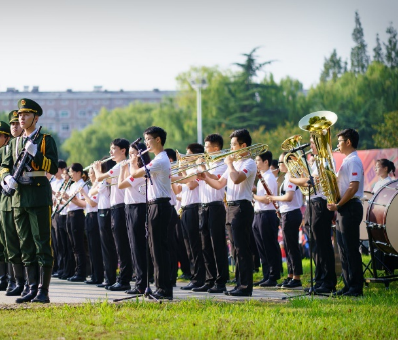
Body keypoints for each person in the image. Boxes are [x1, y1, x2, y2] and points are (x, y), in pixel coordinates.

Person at [1, 98, 59, 304]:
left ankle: (43, 290)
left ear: (36, 117)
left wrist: (37, 155)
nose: (21, 118)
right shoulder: (14, 142)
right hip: (18, 197)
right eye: (19, 114)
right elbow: (4, 165)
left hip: (38, 195)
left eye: (26, 114)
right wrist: (6, 177)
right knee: (25, 244)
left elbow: (52, 167)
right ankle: (30, 287)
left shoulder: (45, 139)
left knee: (42, 243)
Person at [198, 129, 256, 297]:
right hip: (230, 207)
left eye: (233, 145)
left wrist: (229, 163)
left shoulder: (248, 163)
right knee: (235, 250)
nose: (230, 149)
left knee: (242, 248)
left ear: (243, 146)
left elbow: (237, 178)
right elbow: (219, 184)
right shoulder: (235, 164)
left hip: (242, 206)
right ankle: (239, 284)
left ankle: (245, 286)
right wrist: (204, 176)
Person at [287, 137, 337, 294]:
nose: (311, 146)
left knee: (322, 244)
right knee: (315, 245)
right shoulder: (316, 161)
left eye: (313, 143)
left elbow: (311, 181)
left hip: (320, 204)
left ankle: (328, 281)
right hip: (312, 203)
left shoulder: (324, 160)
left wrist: (291, 177)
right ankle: (320, 279)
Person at [129, 126, 173, 300]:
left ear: (158, 140)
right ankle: (160, 286)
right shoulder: (158, 160)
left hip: (159, 205)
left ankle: (163, 288)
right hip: (155, 205)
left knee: (159, 249)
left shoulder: (160, 160)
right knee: (155, 248)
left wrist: (133, 162)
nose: (146, 143)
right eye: (145, 139)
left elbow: (135, 174)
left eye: (148, 140)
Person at [328, 129, 365, 297]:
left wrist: (338, 204)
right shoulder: (347, 161)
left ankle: (356, 288)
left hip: (349, 207)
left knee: (350, 249)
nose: (338, 144)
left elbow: (353, 187)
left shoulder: (354, 161)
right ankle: (348, 284)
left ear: (348, 142)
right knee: (343, 250)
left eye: (340, 140)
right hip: (345, 207)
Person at [94, 139, 133, 292]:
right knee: (119, 245)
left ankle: (124, 279)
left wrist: (97, 168)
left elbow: (99, 178)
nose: (110, 153)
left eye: (113, 149)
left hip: (121, 207)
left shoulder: (122, 164)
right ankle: (121, 278)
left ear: (123, 150)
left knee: (122, 246)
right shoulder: (120, 166)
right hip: (116, 207)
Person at [196, 134, 229, 294]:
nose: (204, 150)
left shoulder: (223, 165)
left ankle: (221, 280)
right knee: (205, 246)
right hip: (203, 207)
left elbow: (214, 178)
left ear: (216, 149)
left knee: (217, 245)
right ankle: (209, 280)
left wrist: (202, 168)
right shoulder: (207, 164)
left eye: (207, 147)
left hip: (216, 207)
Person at [267, 153, 304, 289]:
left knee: (292, 246)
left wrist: (273, 198)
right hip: (286, 213)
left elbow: (288, 197)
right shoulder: (286, 178)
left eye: (282, 162)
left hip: (292, 213)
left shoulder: (292, 177)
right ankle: (290, 274)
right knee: (288, 246)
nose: (279, 165)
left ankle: (297, 277)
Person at [172, 143, 205, 291]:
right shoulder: (189, 170)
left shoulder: (199, 170)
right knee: (188, 246)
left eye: (188, 155)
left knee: (195, 245)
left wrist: (183, 171)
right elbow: (178, 189)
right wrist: (172, 177)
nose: (184, 158)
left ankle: (200, 277)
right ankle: (194, 276)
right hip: (185, 209)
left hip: (194, 208)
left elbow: (192, 185)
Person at [119, 142, 150, 295]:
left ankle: (141, 283)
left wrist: (129, 165)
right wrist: (124, 167)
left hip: (138, 207)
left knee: (138, 247)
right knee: (133, 246)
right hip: (129, 206)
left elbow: (122, 184)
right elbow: (122, 182)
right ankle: (139, 281)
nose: (130, 156)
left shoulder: (141, 170)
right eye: (130, 154)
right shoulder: (133, 169)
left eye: (133, 153)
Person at [252, 151, 282, 287]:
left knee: (269, 246)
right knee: (261, 247)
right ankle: (266, 275)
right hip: (259, 214)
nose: (256, 163)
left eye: (258, 161)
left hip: (266, 214)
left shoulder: (269, 177)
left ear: (266, 162)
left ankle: (273, 275)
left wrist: (252, 195)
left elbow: (265, 200)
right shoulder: (262, 177)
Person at [91, 158, 118, 288]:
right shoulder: (103, 179)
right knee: (105, 247)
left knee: (108, 247)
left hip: (106, 211)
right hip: (102, 211)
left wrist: (97, 172)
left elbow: (94, 190)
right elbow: (91, 191)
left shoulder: (105, 180)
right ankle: (109, 277)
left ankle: (110, 278)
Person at [0, 117, 17, 295]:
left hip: (8, 199)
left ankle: (13, 280)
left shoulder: (8, 151)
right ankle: (4, 277)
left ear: (6, 138)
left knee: (9, 242)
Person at [65, 163, 89, 282]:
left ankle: (81, 272)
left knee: (78, 245)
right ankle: (76, 270)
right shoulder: (73, 185)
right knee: (73, 245)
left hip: (77, 215)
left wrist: (71, 199)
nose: (70, 175)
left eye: (72, 172)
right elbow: (70, 203)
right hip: (70, 214)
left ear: (79, 172)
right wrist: (63, 198)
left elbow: (83, 204)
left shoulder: (82, 185)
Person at [80, 168, 104, 285]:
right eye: (89, 173)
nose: (89, 175)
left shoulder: (98, 185)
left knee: (96, 248)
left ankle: (98, 276)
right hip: (89, 215)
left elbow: (93, 203)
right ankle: (94, 275)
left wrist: (84, 194)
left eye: (91, 173)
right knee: (91, 247)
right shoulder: (92, 185)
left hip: (95, 215)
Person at [51, 159, 67, 279]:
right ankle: (56, 266)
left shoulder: (64, 182)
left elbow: (60, 196)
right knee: (55, 243)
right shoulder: (52, 181)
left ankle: (63, 267)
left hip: (61, 212)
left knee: (62, 243)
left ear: (62, 170)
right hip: (52, 212)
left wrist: (52, 192)